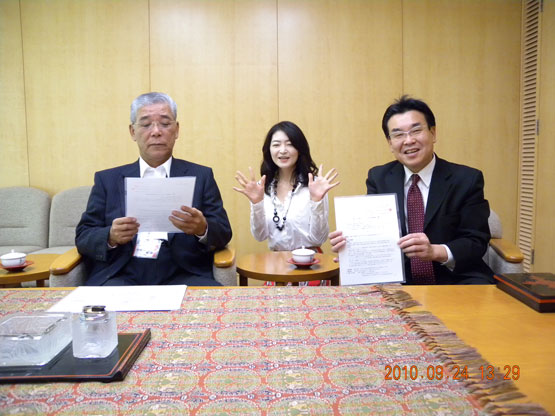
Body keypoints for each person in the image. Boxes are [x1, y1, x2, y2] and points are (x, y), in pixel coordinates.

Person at [330, 96, 494, 285]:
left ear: (433, 133)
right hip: (398, 278)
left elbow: (476, 240)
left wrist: (435, 251)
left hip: (456, 277)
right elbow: (374, 233)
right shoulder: (379, 178)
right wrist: (353, 249)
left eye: (416, 130)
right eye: (398, 135)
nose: (408, 140)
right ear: (390, 143)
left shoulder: (466, 179)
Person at [76, 92, 232, 286]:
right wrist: (111, 236)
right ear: (132, 131)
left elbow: (224, 232)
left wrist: (202, 229)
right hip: (122, 273)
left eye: (165, 124)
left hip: (182, 272)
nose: (156, 131)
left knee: (211, 300)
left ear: (176, 130)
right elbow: (84, 236)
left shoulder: (201, 176)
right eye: (146, 124)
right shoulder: (107, 180)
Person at [234, 121, 339, 285]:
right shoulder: (263, 187)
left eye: (289, 144)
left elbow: (319, 237)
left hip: (310, 267)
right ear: (269, 150)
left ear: (300, 149)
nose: (282, 150)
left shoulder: (314, 185)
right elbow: (260, 236)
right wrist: (257, 203)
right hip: (276, 267)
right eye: (276, 145)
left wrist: (317, 201)